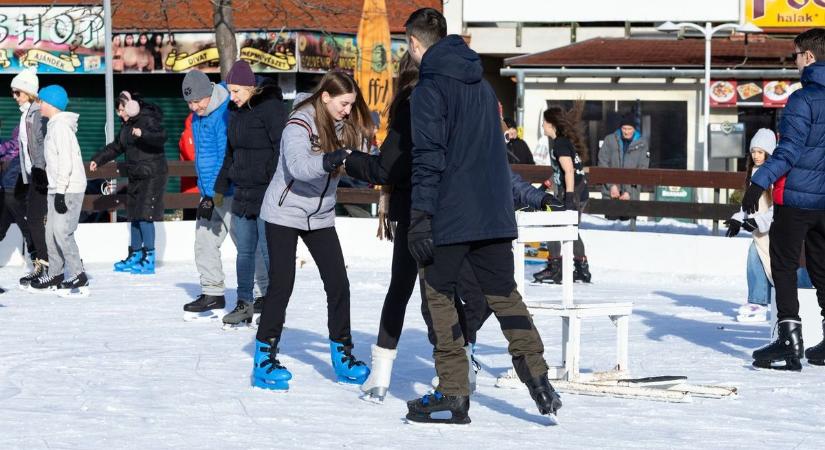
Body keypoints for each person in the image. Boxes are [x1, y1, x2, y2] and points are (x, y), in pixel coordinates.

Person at [345, 52, 561, 403]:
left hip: (427, 214)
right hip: (459, 215)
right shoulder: (465, 100)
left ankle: (428, 380)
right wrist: (535, 197)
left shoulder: (419, 103)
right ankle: (485, 374)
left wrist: (347, 160)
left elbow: (393, 167)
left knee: (428, 296)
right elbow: (494, 168)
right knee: (471, 295)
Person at [402, 8, 560, 424]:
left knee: (438, 294)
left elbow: (428, 157)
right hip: (493, 211)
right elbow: (495, 154)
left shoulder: (429, 89)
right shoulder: (484, 86)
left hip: (452, 213)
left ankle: (454, 391)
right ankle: (539, 379)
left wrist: (420, 216)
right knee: (504, 294)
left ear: (414, 43)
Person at [252, 71, 371, 391]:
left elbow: (362, 156)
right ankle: (264, 358)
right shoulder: (299, 123)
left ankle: (343, 354)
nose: (348, 110)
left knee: (338, 283)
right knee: (282, 284)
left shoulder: (345, 126)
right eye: (344, 104)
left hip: (320, 216)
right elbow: (300, 168)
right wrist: (331, 159)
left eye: (352, 105)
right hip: (284, 212)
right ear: (325, 97)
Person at [743, 28, 825, 370]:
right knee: (822, 267)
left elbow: (789, 150)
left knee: (784, 265)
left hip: (796, 199)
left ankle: (789, 340)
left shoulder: (802, 99)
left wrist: (757, 182)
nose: (795, 62)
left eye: (796, 56)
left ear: (809, 56)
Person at [214, 61, 287, 327]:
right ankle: (244, 303)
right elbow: (230, 153)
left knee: (268, 251)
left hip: (267, 192)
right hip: (243, 192)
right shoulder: (235, 112)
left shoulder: (271, 108)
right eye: (230, 91)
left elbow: (281, 147)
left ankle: (272, 303)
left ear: (250, 87)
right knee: (244, 251)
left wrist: (271, 180)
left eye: (236, 91)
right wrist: (220, 187)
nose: (232, 97)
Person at [90, 91, 168, 275]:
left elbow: (161, 136)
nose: (120, 113)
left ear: (132, 106)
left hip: (152, 174)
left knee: (145, 215)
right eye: (118, 110)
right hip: (136, 174)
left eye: (122, 109)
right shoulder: (126, 126)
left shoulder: (147, 119)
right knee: (134, 215)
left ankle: (149, 257)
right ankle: (136, 253)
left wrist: (143, 134)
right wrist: (98, 159)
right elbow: (116, 147)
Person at [28, 85, 89, 297]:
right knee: (50, 233)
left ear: (51, 104)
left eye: (42, 101)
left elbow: (66, 163)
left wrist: (61, 192)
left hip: (69, 188)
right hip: (56, 188)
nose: (39, 105)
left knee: (63, 233)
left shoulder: (61, 128)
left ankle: (78, 274)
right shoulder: (53, 126)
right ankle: (55, 274)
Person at [533, 105, 593, 284]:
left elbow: (568, 171)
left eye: (544, 122)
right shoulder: (562, 142)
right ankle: (581, 268)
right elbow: (560, 171)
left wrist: (569, 197)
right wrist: (545, 186)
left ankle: (556, 268)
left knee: (555, 225)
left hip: (575, 193)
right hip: (577, 191)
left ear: (552, 124)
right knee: (569, 229)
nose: (542, 126)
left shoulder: (560, 143)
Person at [724, 129, 777, 323]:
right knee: (754, 257)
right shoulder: (753, 173)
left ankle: (797, 299)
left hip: (775, 231)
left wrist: (758, 221)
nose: (756, 155)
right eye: (753, 151)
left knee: (780, 268)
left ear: (769, 153)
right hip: (761, 233)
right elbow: (749, 206)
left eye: (760, 152)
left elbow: (778, 208)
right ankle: (757, 302)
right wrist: (738, 219)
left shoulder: (776, 175)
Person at [13, 67, 50, 288]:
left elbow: (42, 143)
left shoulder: (37, 113)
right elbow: (25, 149)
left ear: (28, 92)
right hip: (33, 174)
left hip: (42, 175)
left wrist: (40, 169)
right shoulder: (25, 114)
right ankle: (42, 263)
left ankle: (46, 266)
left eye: (17, 92)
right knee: (35, 219)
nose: (14, 96)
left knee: (37, 219)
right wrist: (24, 176)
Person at [598, 114, 650, 203]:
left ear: (634, 129)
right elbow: (603, 162)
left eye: (629, 129)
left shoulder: (642, 144)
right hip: (610, 193)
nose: (626, 132)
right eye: (624, 128)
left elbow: (642, 168)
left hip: (631, 194)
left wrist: (628, 191)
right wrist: (611, 186)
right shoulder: (609, 140)